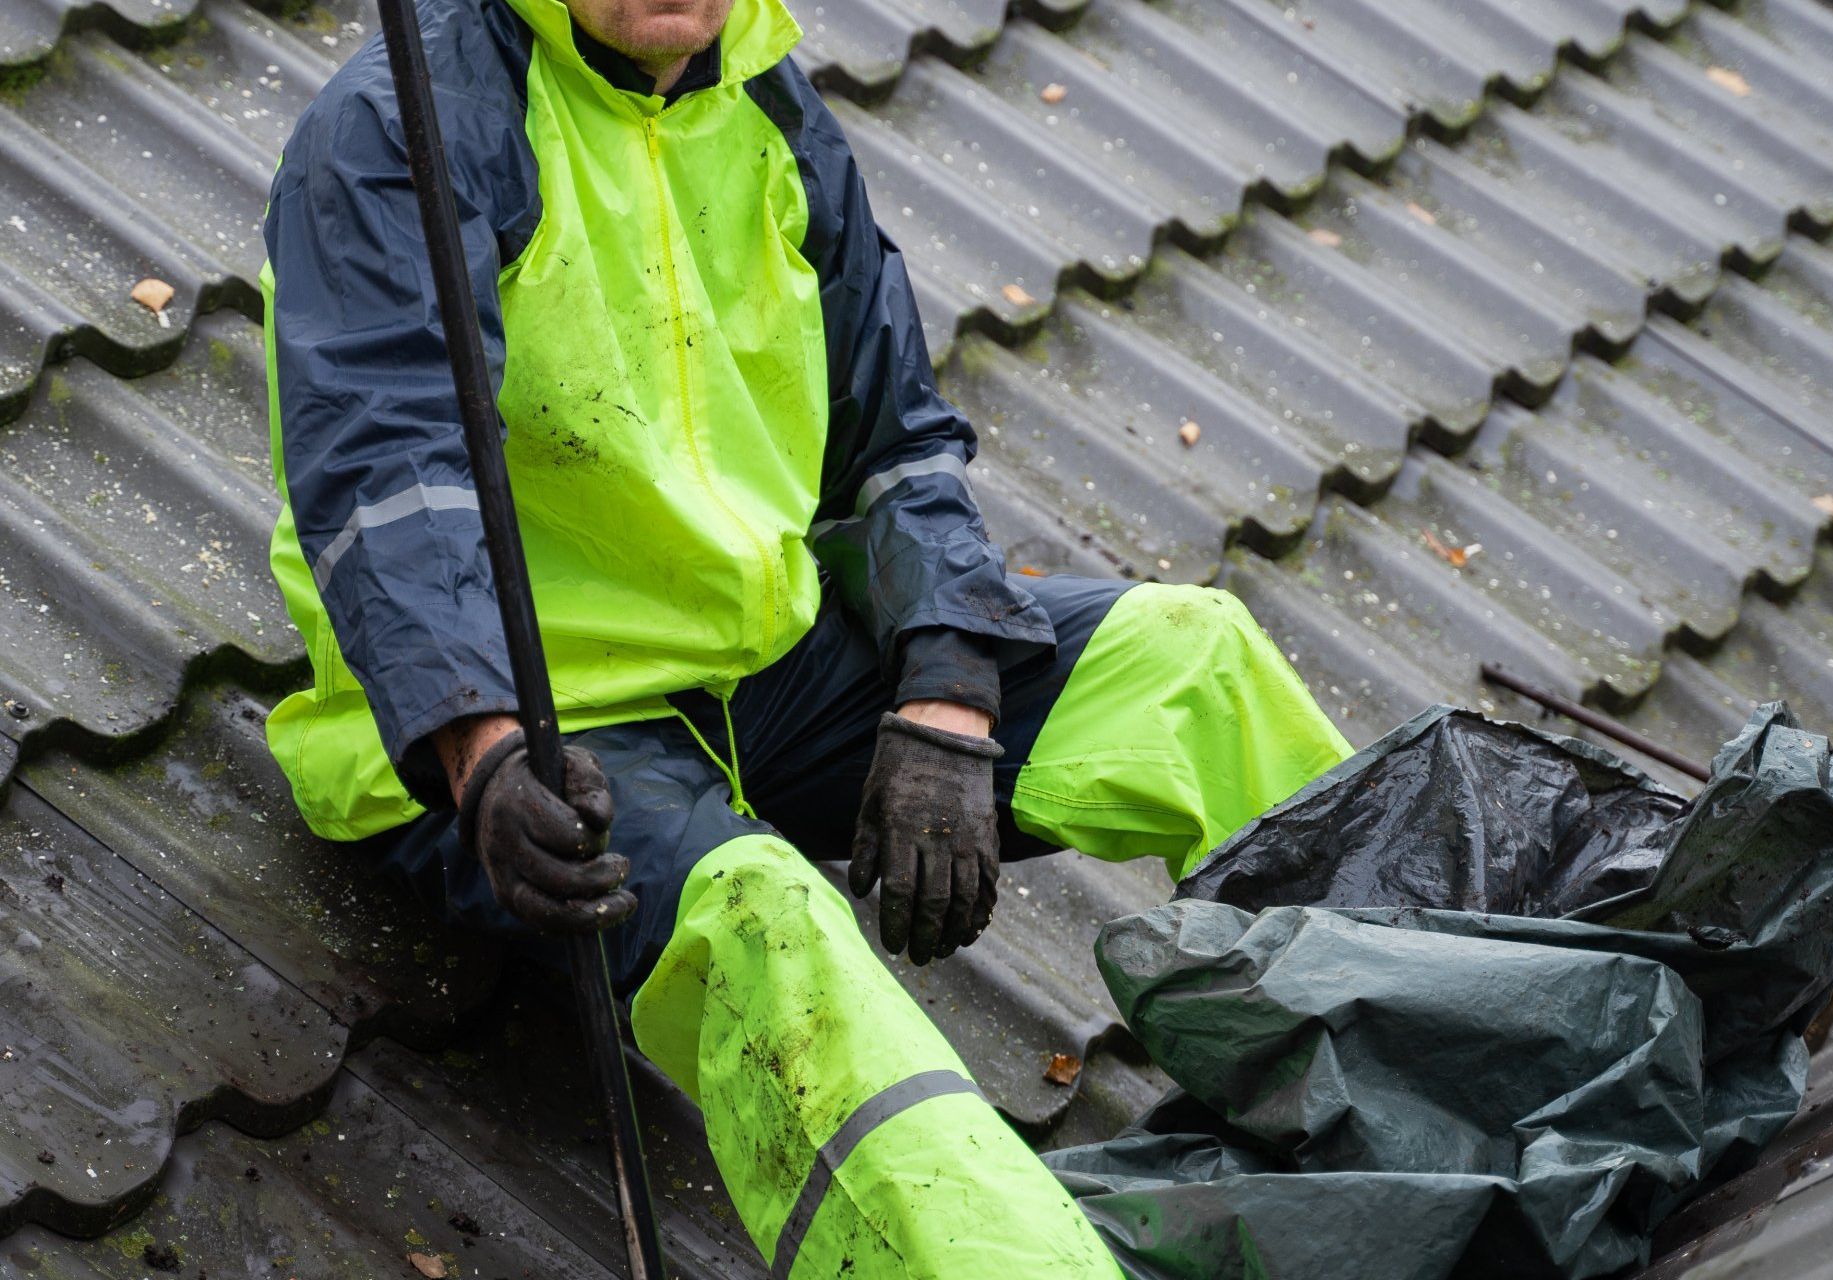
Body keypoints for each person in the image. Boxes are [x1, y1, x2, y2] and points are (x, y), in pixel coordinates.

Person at [260, 0, 1352, 1272]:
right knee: (767, 913)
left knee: (1193, 659)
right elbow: (390, 470)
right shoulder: (410, 124)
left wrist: (948, 688)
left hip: (764, 667)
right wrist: (482, 749)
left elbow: (895, 445)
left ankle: (1427, 1121)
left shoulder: (769, 108)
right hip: (540, 723)